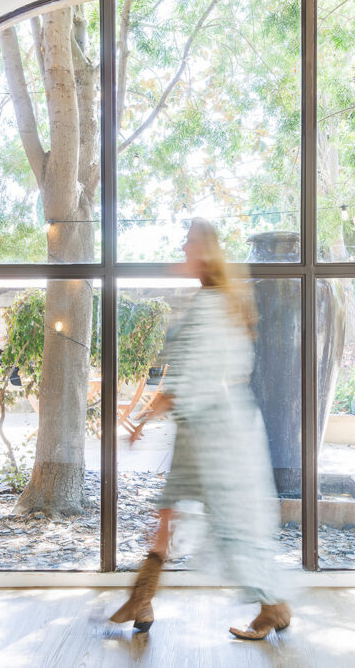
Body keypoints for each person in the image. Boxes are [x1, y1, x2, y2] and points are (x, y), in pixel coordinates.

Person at [108, 218, 290, 640]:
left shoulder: (210, 305)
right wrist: (150, 416)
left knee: (227, 523)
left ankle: (274, 606)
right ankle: (142, 600)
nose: (183, 248)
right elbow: (196, 374)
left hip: (210, 432)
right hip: (205, 427)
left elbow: (191, 377)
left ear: (206, 250)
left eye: (189, 242)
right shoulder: (222, 301)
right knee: (168, 514)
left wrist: (144, 420)